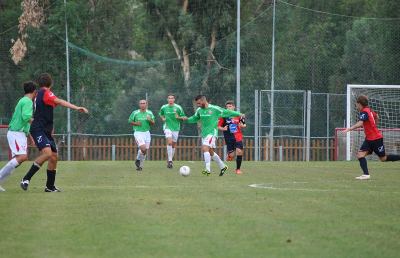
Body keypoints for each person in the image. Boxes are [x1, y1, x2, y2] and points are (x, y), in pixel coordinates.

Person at [20, 73, 88, 192]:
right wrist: (77, 108)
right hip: (38, 129)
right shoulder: (45, 92)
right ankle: (26, 179)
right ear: (50, 83)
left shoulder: (40, 95)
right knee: (47, 153)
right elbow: (60, 101)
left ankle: (50, 187)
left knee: (54, 157)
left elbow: (51, 105)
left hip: (45, 130)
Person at [179, 95, 243, 176]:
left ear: (203, 101)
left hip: (212, 133)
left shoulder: (214, 108)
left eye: (199, 103)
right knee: (210, 151)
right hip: (204, 134)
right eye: (197, 104)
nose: (198, 105)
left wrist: (239, 114)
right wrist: (186, 119)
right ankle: (223, 166)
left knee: (205, 148)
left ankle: (207, 169)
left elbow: (227, 112)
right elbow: (194, 118)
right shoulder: (199, 110)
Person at [344, 95, 400, 180]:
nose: (356, 106)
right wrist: (374, 126)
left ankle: (366, 174)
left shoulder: (364, 112)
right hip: (370, 139)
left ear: (359, 104)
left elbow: (360, 123)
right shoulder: (369, 110)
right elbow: (377, 116)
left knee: (383, 158)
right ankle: (366, 174)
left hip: (375, 139)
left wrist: (349, 128)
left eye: (357, 104)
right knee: (360, 155)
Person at [0, 82, 36, 192]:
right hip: (16, 133)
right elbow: (26, 117)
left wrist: (30, 136)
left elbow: (24, 120)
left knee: (20, 158)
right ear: (34, 91)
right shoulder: (27, 101)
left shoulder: (23, 100)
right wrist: (39, 123)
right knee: (22, 157)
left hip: (20, 133)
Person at [218, 100, 246, 175]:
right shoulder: (223, 116)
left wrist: (241, 125)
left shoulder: (239, 115)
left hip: (238, 137)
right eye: (227, 107)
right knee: (232, 155)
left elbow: (244, 124)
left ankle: (238, 169)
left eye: (230, 106)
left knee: (239, 151)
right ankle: (230, 156)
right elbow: (218, 126)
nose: (228, 108)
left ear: (234, 107)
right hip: (228, 138)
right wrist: (223, 128)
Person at [159, 94, 185, 169]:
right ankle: (170, 161)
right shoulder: (164, 107)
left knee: (173, 145)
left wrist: (179, 117)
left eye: (172, 98)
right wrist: (163, 118)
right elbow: (161, 114)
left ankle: (170, 160)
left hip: (176, 128)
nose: (170, 99)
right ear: (167, 99)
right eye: (169, 98)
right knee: (169, 142)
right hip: (167, 127)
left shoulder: (178, 107)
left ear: (174, 99)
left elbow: (184, 117)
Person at [129, 99, 155, 171]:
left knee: (145, 150)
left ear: (146, 104)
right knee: (143, 149)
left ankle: (140, 165)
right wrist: (136, 123)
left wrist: (150, 120)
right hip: (138, 133)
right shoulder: (135, 113)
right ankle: (138, 160)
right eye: (141, 103)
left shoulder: (149, 113)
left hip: (147, 133)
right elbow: (129, 121)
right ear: (139, 105)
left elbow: (153, 123)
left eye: (144, 103)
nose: (142, 104)